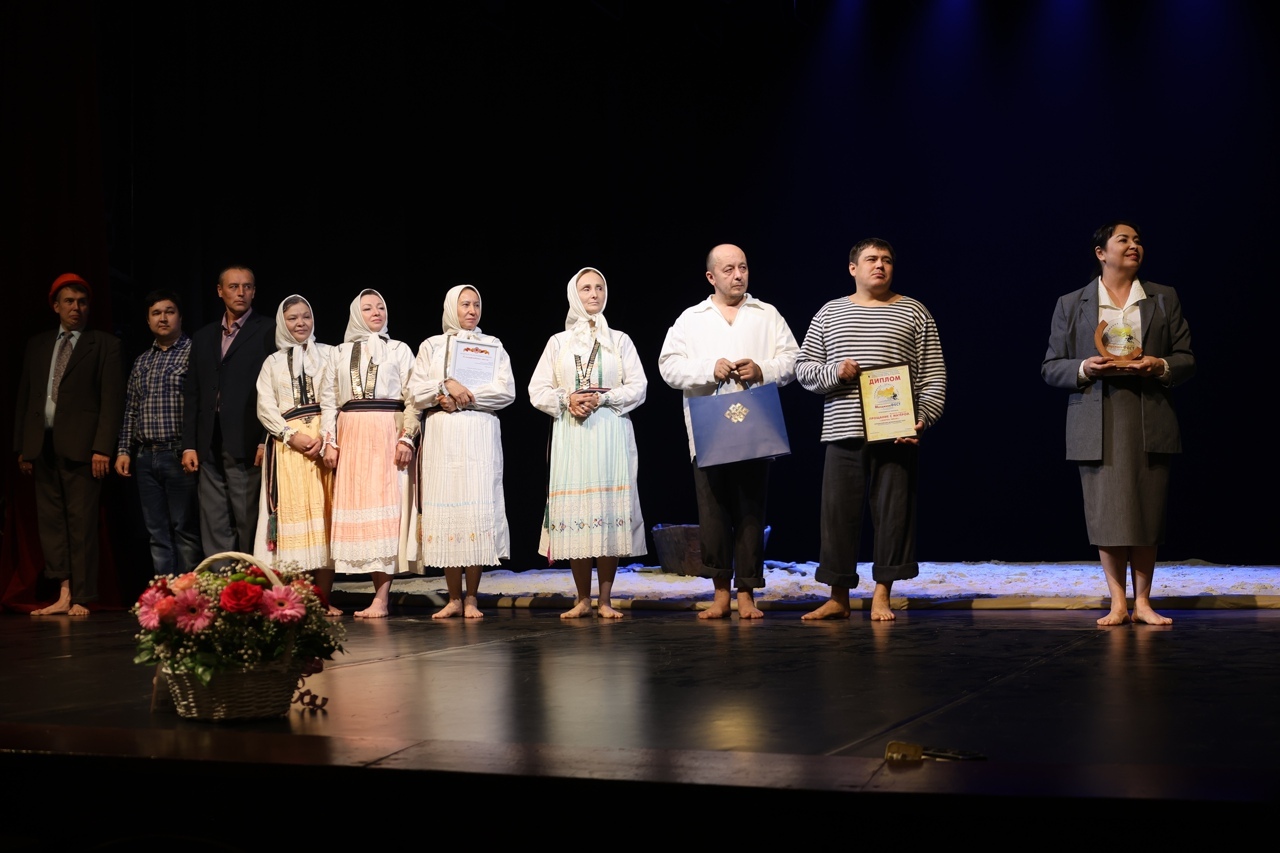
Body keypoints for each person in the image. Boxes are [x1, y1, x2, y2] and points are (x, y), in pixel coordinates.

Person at [1042, 221, 1195, 626]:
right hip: (1097, 416)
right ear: (1100, 253)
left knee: (1147, 512)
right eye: (1123, 240)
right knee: (1106, 513)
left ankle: (1142, 602)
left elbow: (1186, 358)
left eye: (1138, 240)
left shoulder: (1162, 298)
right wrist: (1085, 367)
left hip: (1149, 414)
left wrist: (1159, 364)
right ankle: (1117, 603)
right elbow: (1051, 366)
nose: (1133, 246)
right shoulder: (1072, 303)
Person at [797, 239, 947, 622]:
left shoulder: (914, 311)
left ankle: (882, 595)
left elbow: (933, 376)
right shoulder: (830, 312)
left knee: (895, 515)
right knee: (837, 516)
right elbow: (804, 368)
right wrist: (835, 371)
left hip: (895, 431)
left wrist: (922, 418)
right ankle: (838, 597)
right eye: (871, 259)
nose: (880, 265)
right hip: (843, 429)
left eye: (887, 260)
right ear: (853, 268)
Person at [658, 244, 799, 619]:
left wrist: (763, 369)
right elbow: (668, 366)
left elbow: (793, 359)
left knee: (751, 511)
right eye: (729, 269)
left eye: (743, 267)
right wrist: (709, 368)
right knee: (714, 512)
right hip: (710, 430)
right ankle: (720, 592)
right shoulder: (692, 318)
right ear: (711, 277)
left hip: (754, 428)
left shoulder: (766, 314)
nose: (738, 275)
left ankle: (747, 593)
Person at [529, 268, 647, 619]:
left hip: (609, 430)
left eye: (599, 288)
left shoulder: (619, 340)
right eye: (586, 289)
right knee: (578, 513)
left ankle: (605, 600)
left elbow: (639, 386)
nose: (593, 294)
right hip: (572, 433)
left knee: (607, 511)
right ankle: (582, 598)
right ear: (574, 295)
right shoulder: (558, 342)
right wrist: (567, 399)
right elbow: (537, 389)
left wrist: (604, 398)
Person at [15, 273, 124, 615]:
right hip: (42, 445)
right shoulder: (38, 344)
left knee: (81, 523)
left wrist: (102, 447)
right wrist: (23, 446)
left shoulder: (104, 344)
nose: (76, 308)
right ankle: (62, 592)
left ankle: (82, 596)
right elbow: (26, 397)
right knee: (51, 524)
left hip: (82, 448)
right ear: (56, 306)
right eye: (69, 302)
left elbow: (111, 401)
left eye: (82, 302)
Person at [410, 285, 514, 619]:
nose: (471, 310)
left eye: (476, 304)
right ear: (451, 308)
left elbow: (506, 391)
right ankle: (453, 597)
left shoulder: (492, 344)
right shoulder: (431, 345)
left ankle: (471, 597)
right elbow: (415, 391)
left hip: (479, 431)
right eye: (465, 304)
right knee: (448, 507)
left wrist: (464, 399)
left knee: (475, 508)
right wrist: (444, 387)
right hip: (443, 435)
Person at [321, 289, 420, 618]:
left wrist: (407, 438)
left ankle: (381, 597)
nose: (376, 312)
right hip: (352, 434)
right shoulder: (339, 352)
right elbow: (329, 400)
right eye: (367, 308)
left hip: (387, 431)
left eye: (380, 307)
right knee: (359, 508)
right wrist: (330, 441)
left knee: (387, 510)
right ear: (355, 314)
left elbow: (414, 398)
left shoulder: (398, 349)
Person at [253, 295, 339, 615]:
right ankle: (300, 599)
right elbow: (265, 407)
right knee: (295, 520)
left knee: (324, 518)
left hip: (323, 440)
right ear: (282, 322)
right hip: (289, 445)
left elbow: (336, 397)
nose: (301, 323)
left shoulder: (329, 354)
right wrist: (290, 435)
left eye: (306, 316)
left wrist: (326, 438)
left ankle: (323, 599)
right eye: (293, 318)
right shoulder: (272, 363)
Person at [181, 265, 275, 555]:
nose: (241, 292)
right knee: (214, 518)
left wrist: (265, 439)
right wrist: (189, 445)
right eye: (233, 287)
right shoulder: (204, 336)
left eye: (247, 287)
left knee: (248, 518)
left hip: (247, 438)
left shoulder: (269, 330)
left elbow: (276, 390)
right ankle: (220, 578)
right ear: (220, 291)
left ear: (254, 292)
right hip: (208, 438)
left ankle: (251, 575)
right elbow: (193, 392)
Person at [114, 290, 201, 576]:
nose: (163, 318)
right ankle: (164, 592)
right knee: (156, 532)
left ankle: (189, 594)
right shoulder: (142, 361)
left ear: (180, 317)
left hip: (178, 454)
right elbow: (131, 409)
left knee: (185, 528)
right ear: (148, 320)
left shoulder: (193, 353)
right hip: (145, 457)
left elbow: (201, 405)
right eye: (156, 313)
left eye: (169, 311)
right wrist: (124, 451)